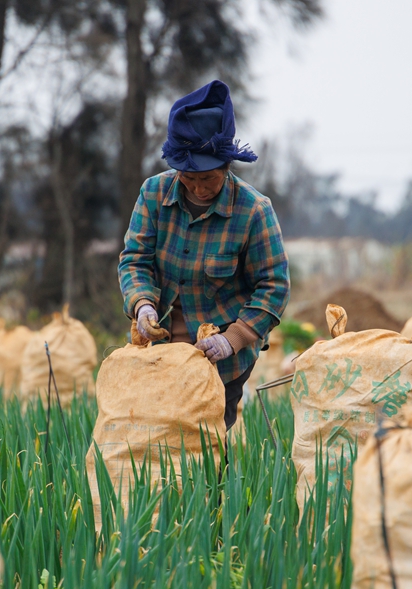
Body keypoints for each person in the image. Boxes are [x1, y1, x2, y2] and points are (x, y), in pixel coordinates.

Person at [118, 80, 290, 430]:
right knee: (154, 443)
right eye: (188, 177)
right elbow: (135, 259)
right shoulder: (154, 194)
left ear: (227, 167)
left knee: (206, 447)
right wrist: (143, 305)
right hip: (159, 353)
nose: (198, 187)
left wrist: (234, 339)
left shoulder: (254, 211)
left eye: (208, 178)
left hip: (221, 359)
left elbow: (274, 286)